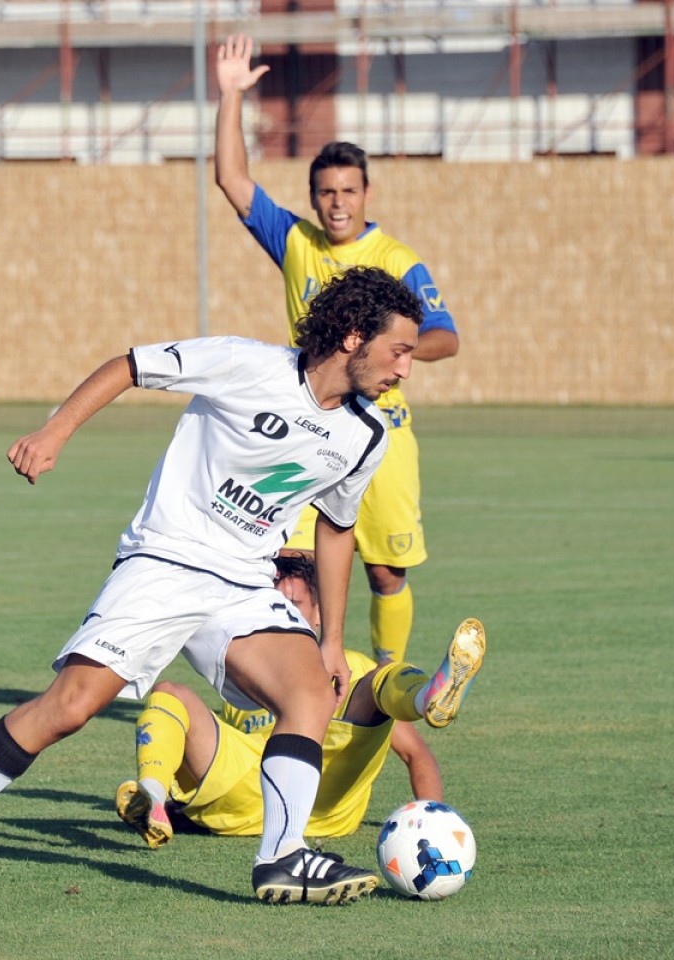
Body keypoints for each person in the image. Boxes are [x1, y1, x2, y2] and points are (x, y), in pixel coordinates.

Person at [0, 267, 455, 906]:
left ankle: (281, 858)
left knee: (309, 696)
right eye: (399, 351)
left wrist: (331, 642)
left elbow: (338, 529)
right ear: (353, 337)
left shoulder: (365, 434)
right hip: (165, 561)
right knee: (69, 707)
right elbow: (128, 366)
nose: (406, 369)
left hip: (244, 582)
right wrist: (54, 432)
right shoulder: (245, 363)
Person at [213, 34, 460, 671]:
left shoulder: (396, 260)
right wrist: (231, 94)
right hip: (306, 421)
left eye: (348, 191)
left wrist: (397, 350)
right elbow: (232, 178)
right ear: (314, 195)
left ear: (366, 194)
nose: (337, 203)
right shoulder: (295, 240)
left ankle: (386, 682)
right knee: (292, 567)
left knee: (383, 573)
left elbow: (446, 335)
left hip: (381, 428)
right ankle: (284, 688)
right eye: (326, 192)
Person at [114, 553, 485, 849]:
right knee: (169, 694)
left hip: (327, 800)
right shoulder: (246, 668)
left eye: (293, 604)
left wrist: (436, 818)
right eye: (272, 604)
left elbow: (415, 753)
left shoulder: (349, 667)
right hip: (241, 796)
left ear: (320, 613)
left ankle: (426, 697)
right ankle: (152, 796)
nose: (282, 614)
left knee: (374, 679)